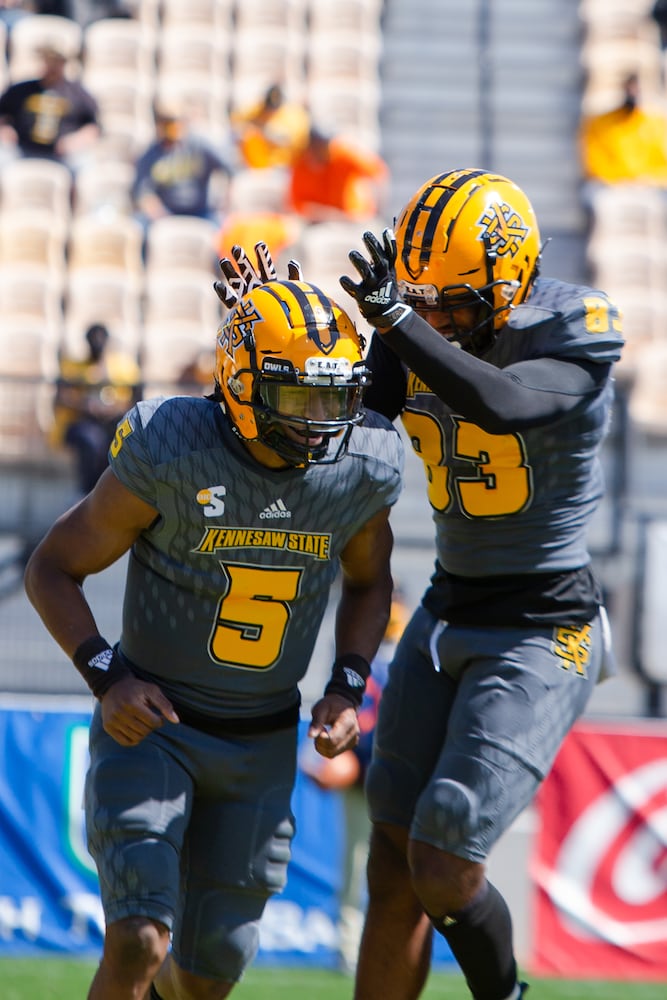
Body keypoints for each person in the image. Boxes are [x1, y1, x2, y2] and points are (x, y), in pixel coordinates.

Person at [24, 241, 404, 1000]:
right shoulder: (173, 446)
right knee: (139, 938)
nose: (320, 421)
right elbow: (52, 566)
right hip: (154, 726)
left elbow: (370, 585)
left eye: (334, 398)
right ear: (239, 386)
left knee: (202, 978)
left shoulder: (362, 464)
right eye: (299, 399)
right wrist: (106, 675)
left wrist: (347, 684)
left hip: (261, 739)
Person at [338, 167, 624, 1000]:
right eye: (421, 302)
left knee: (446, 848)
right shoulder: (418, 323)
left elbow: (509, 404)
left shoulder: (573, 323)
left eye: (452, 303)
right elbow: (363, 426)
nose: (435, 320)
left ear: (514, 275)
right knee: (392, 864)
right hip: (445, 605)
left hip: (544, 624)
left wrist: (396, 320)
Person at [299, 586, 409, 973]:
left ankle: (390, 951)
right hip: (364, 779)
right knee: (355, 866)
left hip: (398, 778)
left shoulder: (409, 656)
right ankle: (349, 950)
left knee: (398, 868)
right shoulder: (361, 659)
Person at [51, 322, 141, 495]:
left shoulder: (123, 367)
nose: (97, 343)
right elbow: (61, 398)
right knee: (91, 441)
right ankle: (86, 495)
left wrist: (112, 409)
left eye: (101, 339)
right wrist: (86, 405)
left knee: (118, 443)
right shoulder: (73, 367)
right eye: (93, 339)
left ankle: (109, 495)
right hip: (79, 422)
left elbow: (136, 399)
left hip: (112, 423)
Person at [131, 100, 234, 230]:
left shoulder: (199, 144)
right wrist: (157, 213)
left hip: (201, 211)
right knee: (139, 225)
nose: (174, 126)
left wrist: (224, 205)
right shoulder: (151, 153)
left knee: (222, 228)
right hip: (167, 212)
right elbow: (141, 192)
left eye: (177, 121)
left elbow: (229, 170)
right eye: (168, 122)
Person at [0, 37, 100, 169]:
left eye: (56, 62)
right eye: (48, 61)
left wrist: (76, 141)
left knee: (83, 164)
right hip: (23, 148)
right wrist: (5, 129)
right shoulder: (21, 90)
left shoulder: (78, 93)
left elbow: (93, 126)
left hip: (61, 153)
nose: (51, 66)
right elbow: (2, 113)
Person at [578, 72, 667, 205]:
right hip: (610, 184)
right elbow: (594, 161)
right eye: (629, 89)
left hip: (647, 184)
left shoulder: (655, 123)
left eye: (636, 90)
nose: (633, 94)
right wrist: (619, 179)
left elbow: (662, 162)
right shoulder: (601, 122)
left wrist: (645, 179)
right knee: (590, 196)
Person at [288, 125, 389, 223]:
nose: (322, 149)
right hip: (321, 222)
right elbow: (298, 203)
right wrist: (325, 214)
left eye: (325, 144)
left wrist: (378, 212)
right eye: (317, 145)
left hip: (354, 218)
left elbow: (377, 172)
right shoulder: (302, 164)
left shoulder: (343, 154)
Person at [231, 82, 310, 170]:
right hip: (258, 165)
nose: (271, 111)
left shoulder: (293, 115)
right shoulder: (258, 110)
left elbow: (289, 140)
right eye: (269, 108)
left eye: (274, 108)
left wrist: (266, 132)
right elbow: (237, 123)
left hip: (284, 166)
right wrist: (249, 128)